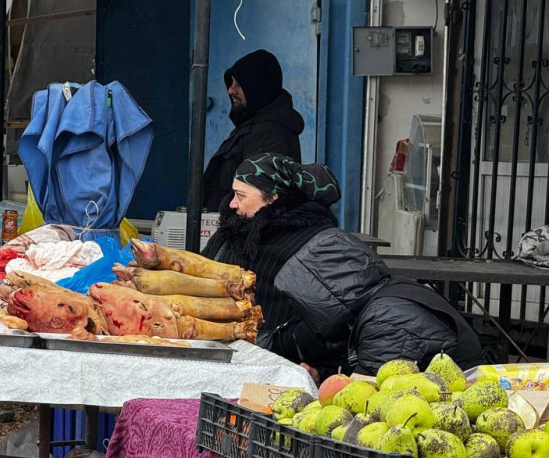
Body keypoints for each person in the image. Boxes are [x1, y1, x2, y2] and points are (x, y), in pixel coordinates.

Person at [203, 153, 485, 381]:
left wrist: (312, 371)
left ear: (273, 198)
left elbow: (362, 400)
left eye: (241, 195)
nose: (231, 204)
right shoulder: (363, 311)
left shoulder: (384, 323)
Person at [201, 49, 304, 211]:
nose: (230, 90)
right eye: (231, 83)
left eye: (239, 85)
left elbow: (260, 203)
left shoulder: (270, 134)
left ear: (257, 87)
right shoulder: (254, 128)